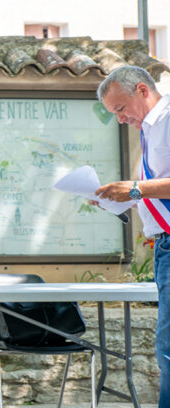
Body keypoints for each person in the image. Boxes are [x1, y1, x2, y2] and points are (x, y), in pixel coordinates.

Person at [94, 65, 170, 407]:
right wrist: (120, 200)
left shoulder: (166, 121)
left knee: (168, 349)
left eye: (121, 109)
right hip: (163, 245)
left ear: (142, 90)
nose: (120, 119)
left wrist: (136, 190)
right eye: (114, 114)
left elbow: (150, 188)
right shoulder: (151, 129)